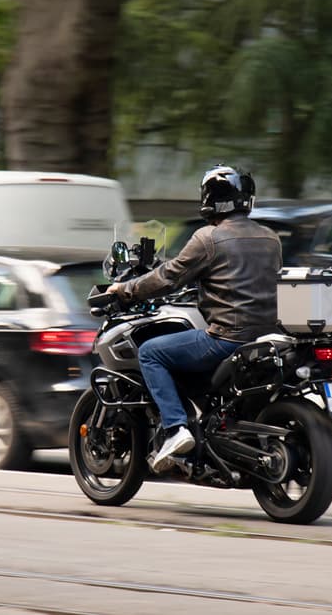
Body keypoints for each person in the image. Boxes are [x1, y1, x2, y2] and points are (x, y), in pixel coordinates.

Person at [108, 165, 282, 471]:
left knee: (151, 352)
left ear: (211, 198)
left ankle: (175, 430)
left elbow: (168, 276)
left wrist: (126, 289)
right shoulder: (271, 238)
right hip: (267, 338)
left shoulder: (209, 238)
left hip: (227, 338)